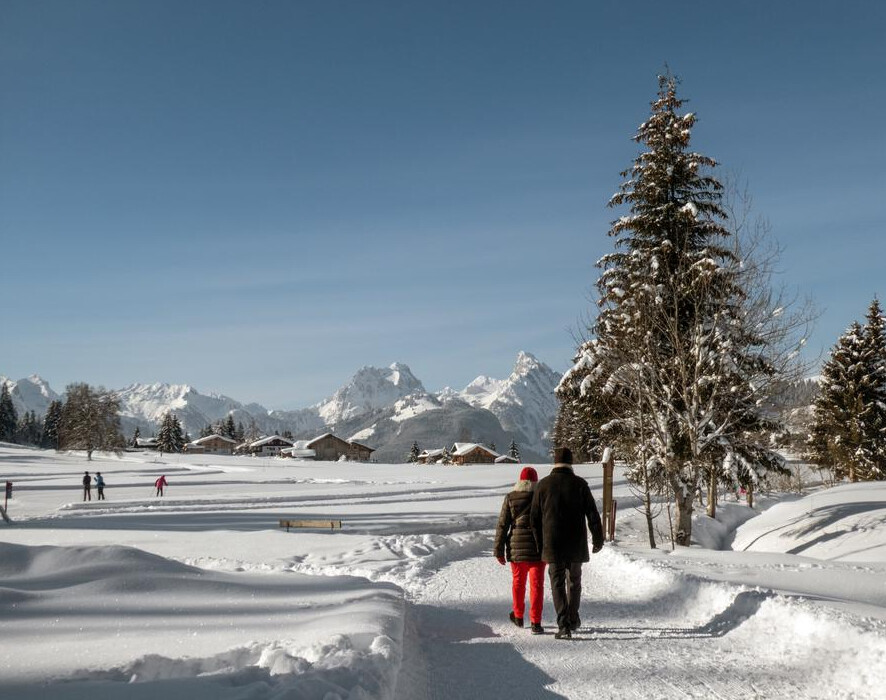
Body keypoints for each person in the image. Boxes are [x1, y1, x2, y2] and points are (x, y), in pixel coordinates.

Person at [531, 446, 604, 640]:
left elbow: (534, 519)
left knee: (557, 583)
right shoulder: (580, 484)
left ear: (554, 463)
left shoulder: (543, 486)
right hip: (575, 543)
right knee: (574, 581)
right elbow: (592, 514)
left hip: (552, 543)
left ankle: (563, 624)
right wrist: (598, 539)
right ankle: (572, 617)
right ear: (571, 464)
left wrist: (540, 545)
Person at [493, 466, 546, 635]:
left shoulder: (510, 497)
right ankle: (536, 622)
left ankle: (518, 616)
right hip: (538, 549)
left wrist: (499, 550)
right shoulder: (542, 497)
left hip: (517, 548)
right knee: (537, 586)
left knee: (518, 583)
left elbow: (502, 525)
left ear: (520, 481)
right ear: (536, 482)